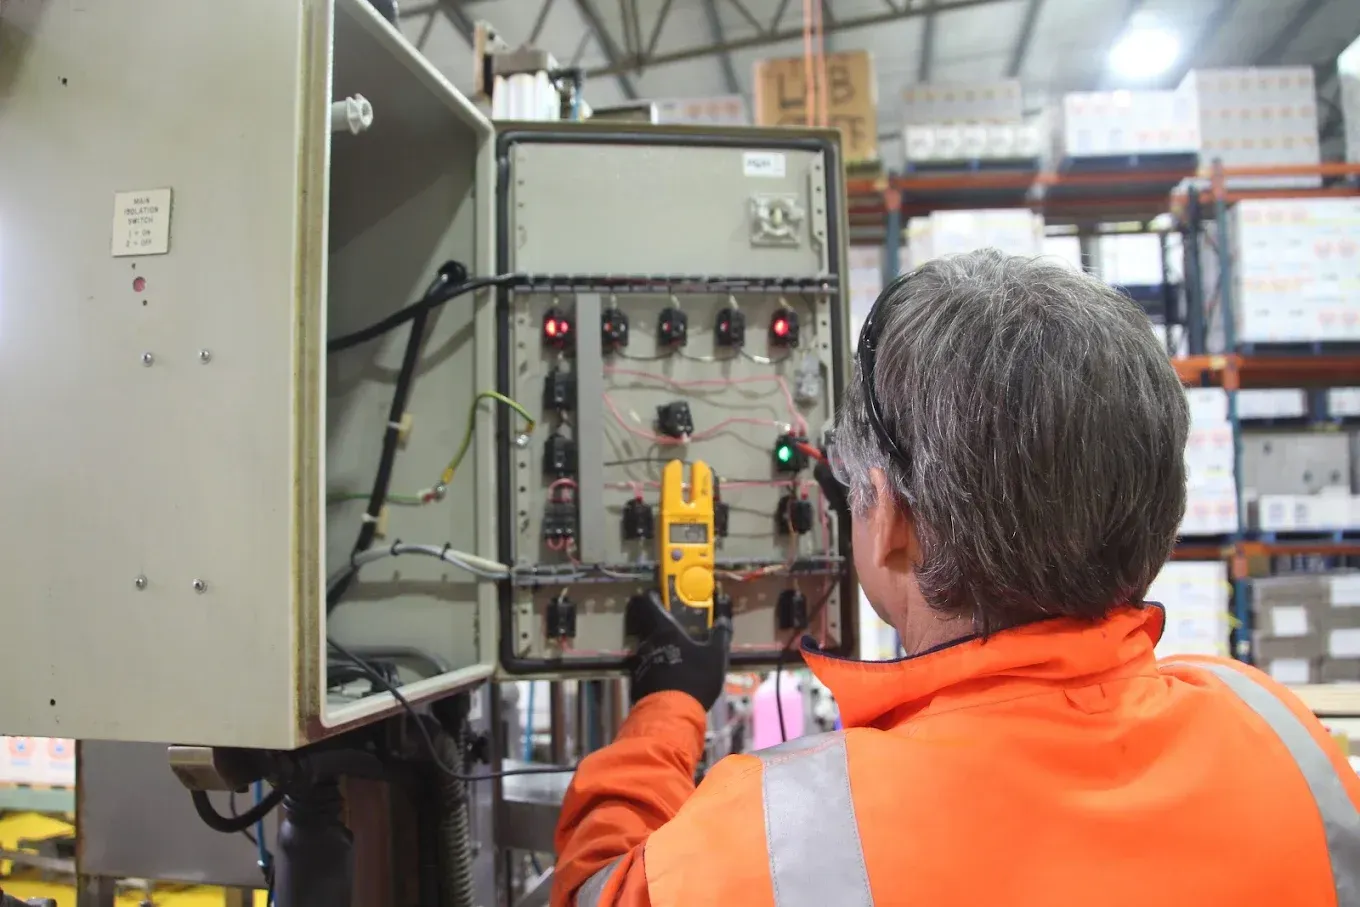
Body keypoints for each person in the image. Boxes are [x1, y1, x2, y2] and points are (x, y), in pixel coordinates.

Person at [552, 250, 1360, 907]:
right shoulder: (1281, 733)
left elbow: (593, 891)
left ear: (893, 520)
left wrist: (667, 705)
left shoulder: (782, 833)